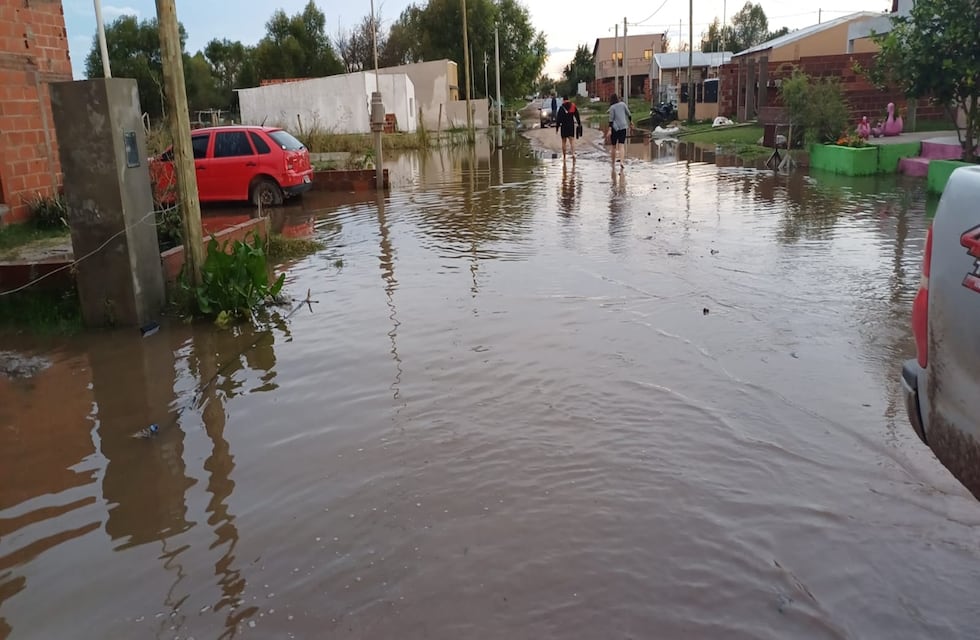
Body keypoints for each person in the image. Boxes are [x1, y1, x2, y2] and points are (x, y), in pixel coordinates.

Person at [605, 94, 632, 170]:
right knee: (621, 145)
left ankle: (613, 163)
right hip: (623, 127)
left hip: (615, 128)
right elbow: (629, 114)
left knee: (613, 146)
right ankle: (622, 162)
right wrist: (631, 122)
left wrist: (609, 130)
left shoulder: (612, 108)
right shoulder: (623, 104)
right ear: (617, 99)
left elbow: (611, 120)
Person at [555, 95, 582, 162]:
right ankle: (573, 154)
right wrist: (579, 124)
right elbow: (577, 115)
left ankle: (564, 156)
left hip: (564, 127)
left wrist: (557, 127)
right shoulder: (573, 106)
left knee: (564, 142)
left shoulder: (561, 108)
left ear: (563, 100)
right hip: (571, 126)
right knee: (572, 141)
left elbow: (558, 119)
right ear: (568, 99)